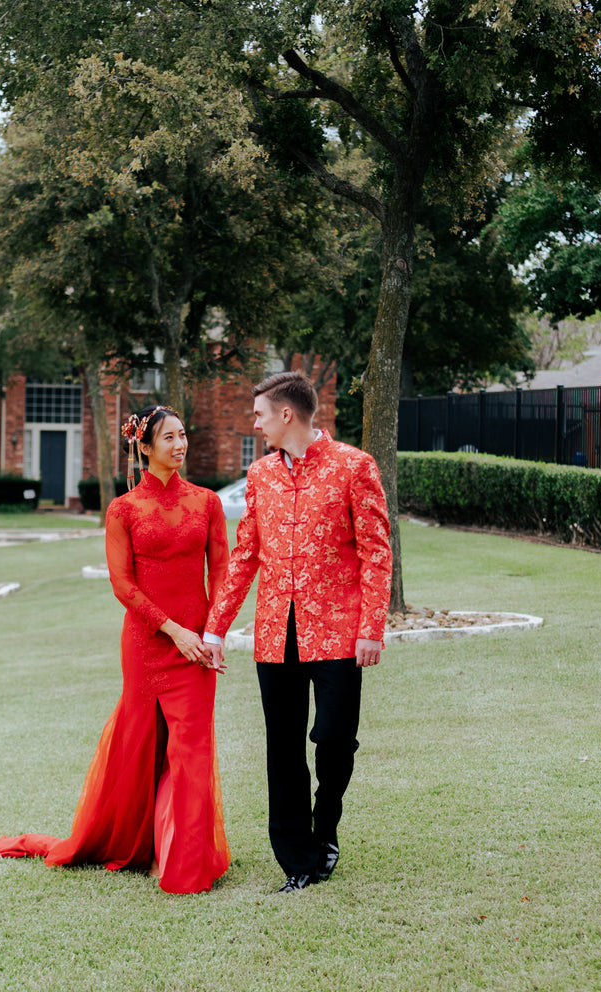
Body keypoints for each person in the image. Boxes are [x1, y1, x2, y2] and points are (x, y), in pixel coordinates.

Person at [0, 406, 231, 895]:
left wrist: (213, 634)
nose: (180, 445)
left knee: (190, 751)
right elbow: (123, 585)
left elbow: (222, 572)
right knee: (141, 748)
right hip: (147, 645)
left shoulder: (207, 503)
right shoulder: (123, 509)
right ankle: (142, 845)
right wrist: (174, 630)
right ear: (145, 447)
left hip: (197, 647)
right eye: (169, 438)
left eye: (183, 436)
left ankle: (183, 859)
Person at [204, 372, 393, 893]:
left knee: (334, 741)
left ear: (287, 414)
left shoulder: (355, 467)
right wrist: (216, 629)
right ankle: (298, 860)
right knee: (283, 749)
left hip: (337, 632)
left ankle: (325, 827)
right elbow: (244, 556)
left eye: (260, 414)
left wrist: (370, 628)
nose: (256, 423)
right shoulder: (260, 474)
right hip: (274, 634)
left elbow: (377, 552)